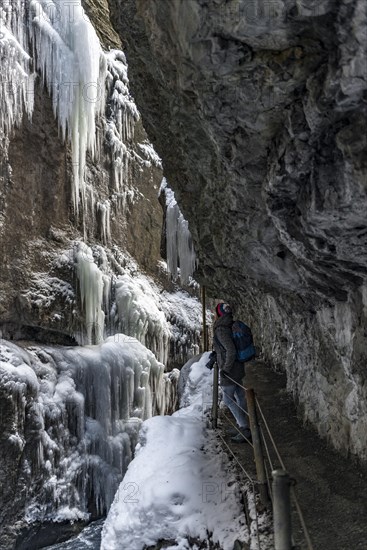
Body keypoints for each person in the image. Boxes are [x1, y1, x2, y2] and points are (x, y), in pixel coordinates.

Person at [208, 302, 252, 443]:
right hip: (239, 366)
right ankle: (243, 425)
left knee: (227, 399)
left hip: (231, 369)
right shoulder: (231, 324)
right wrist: (216, 354)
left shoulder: (221, 329)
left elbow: (230, 350)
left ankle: (245, 428)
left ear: (219, 314)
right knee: (240, 395)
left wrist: (225, 369)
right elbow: (225, 348)